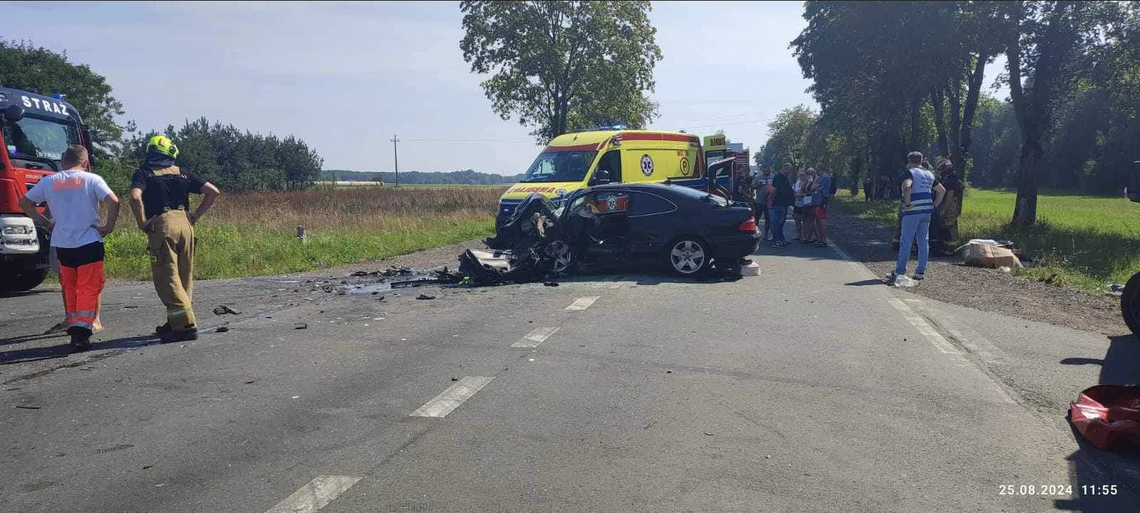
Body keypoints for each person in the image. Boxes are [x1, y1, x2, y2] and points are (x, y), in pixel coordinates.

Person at [18, 145, 119, 350]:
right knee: (88, 288)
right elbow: (114, 202)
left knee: (70, 287)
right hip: (89, 241)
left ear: (64, 160)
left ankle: (73, 324)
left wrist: (45, 222)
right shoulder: (92, 179)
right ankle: (81, 333)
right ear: (84, 161)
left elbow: (25, 202)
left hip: (63, 243)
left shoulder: (49, 181)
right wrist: (108, 226)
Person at [128, 135, 221, 343]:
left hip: (163, 225)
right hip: (185, 224)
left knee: (167, 276)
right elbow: (213, 192)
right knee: (184, 275)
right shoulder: (183, 173)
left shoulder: (144, 173)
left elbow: (135, 197)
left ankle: (185, 325)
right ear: (172, 153)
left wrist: (142, 222)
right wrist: (195, 216)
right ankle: (174, 323)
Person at [888, 152, 946, 284]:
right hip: (927, 210)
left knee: (906, 241)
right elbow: (941, 190)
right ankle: (920, 272)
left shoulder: (910, 173)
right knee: (923, 241)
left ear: (909, 161)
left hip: (912, 211)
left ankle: (900, 270)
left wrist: (907, 203)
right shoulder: (929, 174)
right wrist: (934, 204)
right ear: (921, 160)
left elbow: (907, 187)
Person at [768, 163, 795, 247]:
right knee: (778, 223)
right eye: (789, 170)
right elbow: (774, 190)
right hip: (779, 203)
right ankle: (776, 240)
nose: (790, 172)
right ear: (784, 168)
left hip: (784, 203)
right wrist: (771, 197)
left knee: (781, 222)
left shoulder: (785, 178)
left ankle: (781, 239)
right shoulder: (777, 177)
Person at [808, 163, 833, 247]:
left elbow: (812, 188)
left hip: (821, 201)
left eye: (816, 169)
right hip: (816, 201)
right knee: (818, 221)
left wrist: (815, 185)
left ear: (819, 169)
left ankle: (823, 240)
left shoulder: (824, 177)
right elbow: (813, 188)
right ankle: (820, 239)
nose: (815, 171)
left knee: (821, 221)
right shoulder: (820, 177)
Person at [752, 165, 775, 240]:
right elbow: (752, 186)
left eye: (767, 170)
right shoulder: (758, 178)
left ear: (770, 170)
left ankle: (766, 234)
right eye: (764, 171)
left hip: (770, 202)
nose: (766, 172)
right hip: (759, 201)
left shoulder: (774, 177)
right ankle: (755, 232)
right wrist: (758, 185)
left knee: (768, 219)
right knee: (757, 218)